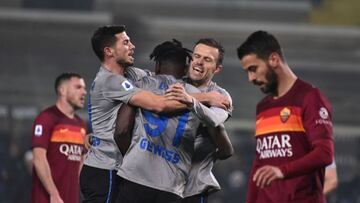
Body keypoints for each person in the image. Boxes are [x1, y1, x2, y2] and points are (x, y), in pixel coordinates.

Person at [80, 25, 229, 203]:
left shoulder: (141, 80)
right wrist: (204, 98)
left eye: (207, 59)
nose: (132, 46)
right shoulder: (116, 81)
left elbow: (160, 79)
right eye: (126, 42)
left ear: (217, 68)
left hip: (181, 183)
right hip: (111, 167)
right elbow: (158, 103)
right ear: (109, 51)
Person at [237, 30, 334, 203]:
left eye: (253, 69)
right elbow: (259, 166)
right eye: (247, 72)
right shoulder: (263, 107)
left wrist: (282, 171)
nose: (250, 78)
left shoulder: (310, 97)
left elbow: (324, 153)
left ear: (273, 59)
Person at [172, 38, 234, 203]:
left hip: (193, 188)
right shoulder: (175, 85)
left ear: (217, 68)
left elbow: (213, 119)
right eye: (196, 56)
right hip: (163, 183)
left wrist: (190, 101)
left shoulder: (221, 95)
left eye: (207, 59)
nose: (199, 62)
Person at [31, 73, 87, 203]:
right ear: (62, 90)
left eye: (84, 88)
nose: (84, 92)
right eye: (78, 87)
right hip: (47, 199)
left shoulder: (81, 124)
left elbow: (81, 162)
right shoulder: (46, 118)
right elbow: (39, 159)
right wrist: (54, 194)